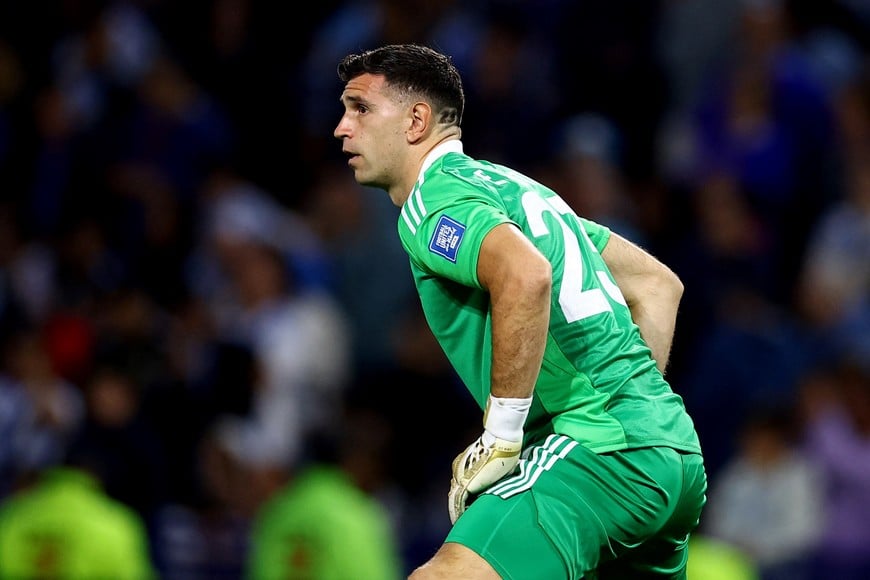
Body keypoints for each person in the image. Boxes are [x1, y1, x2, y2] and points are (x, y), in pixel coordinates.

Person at [333, 43, 706, 579]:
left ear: (416, 120)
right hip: (671, 451)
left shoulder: (433, 199)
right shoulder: (518, 189)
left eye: (360, 108)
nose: (342, 128)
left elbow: (525, 275)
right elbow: (657, 284)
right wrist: (630, 409)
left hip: (597, 453)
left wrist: (502, 436)